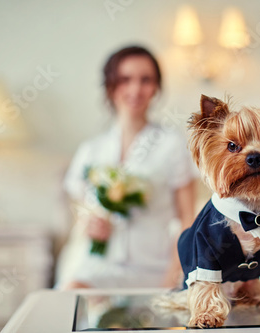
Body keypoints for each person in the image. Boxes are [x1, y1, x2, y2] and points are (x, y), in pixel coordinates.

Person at [56, 45, 198, 289]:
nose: (135, 89)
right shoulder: (91, 149)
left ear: (156, 88)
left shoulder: (173, 145)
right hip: (100, 264)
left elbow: (187, 220)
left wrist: (171, 279)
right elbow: (78, 205)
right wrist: (86, 220)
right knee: (67, 299)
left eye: (145, 80)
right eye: (125, 79)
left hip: (155, 267)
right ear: (110, 86)